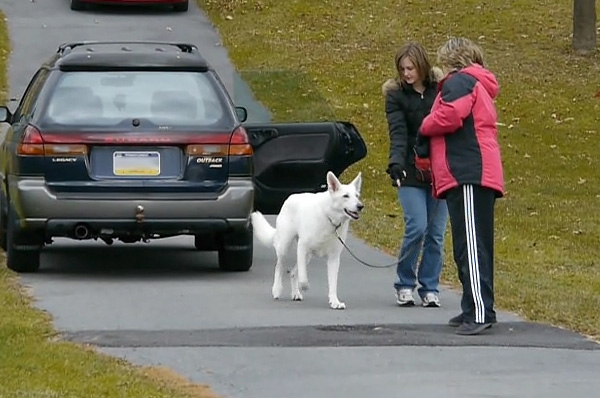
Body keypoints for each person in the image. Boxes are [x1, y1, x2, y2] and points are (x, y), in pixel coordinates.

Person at [420, 37, 505, 335]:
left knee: (470, 245)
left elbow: (450, 116)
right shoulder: (476, 83)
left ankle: (480, 312)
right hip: (474, 171)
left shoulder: (459, 82)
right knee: (471, 244)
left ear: (452, 60)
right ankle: (473, 306)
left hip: (467, 171)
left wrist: (425, 123)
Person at [383, 42, 449, 308]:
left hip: (439, 168)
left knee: (436, 232)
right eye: (402, 69)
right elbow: (397, 132)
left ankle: (430, 286)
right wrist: (395, 163)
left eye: (410, 68)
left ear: (422, 66)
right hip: (410, 167)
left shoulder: (440, 90)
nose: (407, 73)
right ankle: (405, 283)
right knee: (417, 226)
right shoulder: (396, 95)